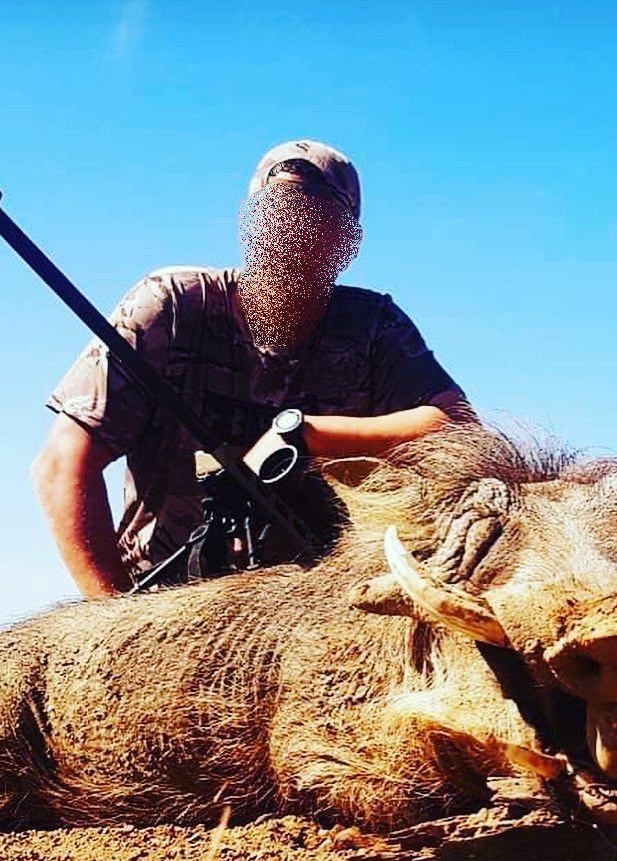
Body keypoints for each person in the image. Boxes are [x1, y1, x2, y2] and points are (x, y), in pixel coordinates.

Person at [32, 140, 466, 598]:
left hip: (320, 601)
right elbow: (61, 465)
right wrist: (113, 618)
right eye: (280, 210)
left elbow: (456, 426)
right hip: (165, 600)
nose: (294, 231)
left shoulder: (373, 327)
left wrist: (308, 435)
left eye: (319, 216)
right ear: (253, 220)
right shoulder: (173, 306)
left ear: (348, 236)